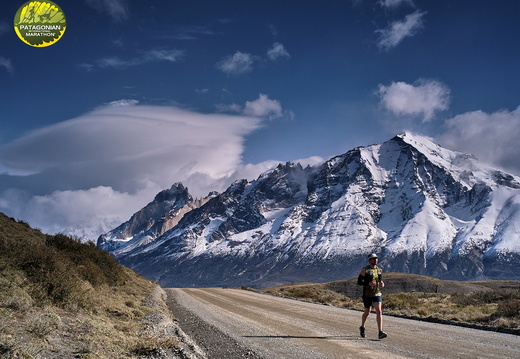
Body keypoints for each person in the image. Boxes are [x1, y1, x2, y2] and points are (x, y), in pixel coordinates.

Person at [357, 253, 387, 339]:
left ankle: (380, 332)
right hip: (367, 294)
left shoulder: (379, 270)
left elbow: (380, 279)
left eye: (376, 258)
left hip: (377, 293)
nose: (375, 260)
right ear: (369, 260)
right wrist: (368, 283)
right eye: (373, 259)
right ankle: (362, 327)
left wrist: (381, 283)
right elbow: (359, 282)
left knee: (379, 310)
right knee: (367, 311)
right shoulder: (365, 270)